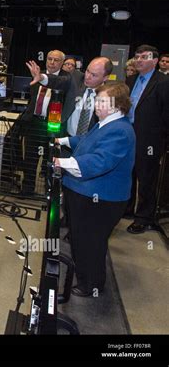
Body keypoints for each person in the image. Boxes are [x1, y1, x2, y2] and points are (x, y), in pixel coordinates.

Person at [55, 82, 135, 297]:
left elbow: (99, 161)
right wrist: (62, 140)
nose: (96, 105)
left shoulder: (120, 131)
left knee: (90, 241)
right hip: (87, 193)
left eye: (101, 101)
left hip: (100, 199)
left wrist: (62, 163)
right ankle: (85, 276)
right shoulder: (106, 123)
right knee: (82, 238)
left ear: (117, 105)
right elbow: (86, 142)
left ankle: (91, 284)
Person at [125, 45, 169, 234]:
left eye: (144, 57)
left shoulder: (163, 82)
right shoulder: (131, 79)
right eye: (137, 57)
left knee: (146, 178)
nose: (139, 60)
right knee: (128, 173)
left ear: (155, 60)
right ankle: (126, 209)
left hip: (150, 138)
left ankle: (143, 217)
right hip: (129, 134)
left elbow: (166, 113)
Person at [26, 56, 113, 137]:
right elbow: (58, 81)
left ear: (105, 77)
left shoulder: (110, 95)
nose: (87, 76)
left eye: (94, 75)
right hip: (66, 140)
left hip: (90, 145)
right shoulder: (76, 79)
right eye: (87, 71)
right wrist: (41, 77)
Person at [20, 50, 68, 195]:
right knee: (30, 157)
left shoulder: (65, 79)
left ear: (62, 63)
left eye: (56, 60)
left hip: (52, 126)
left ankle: (49, 191)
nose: (52, 62)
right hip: (34, 122)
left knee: (49, 159)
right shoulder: (37, 75)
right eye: (49, 59)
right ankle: (27, 189)